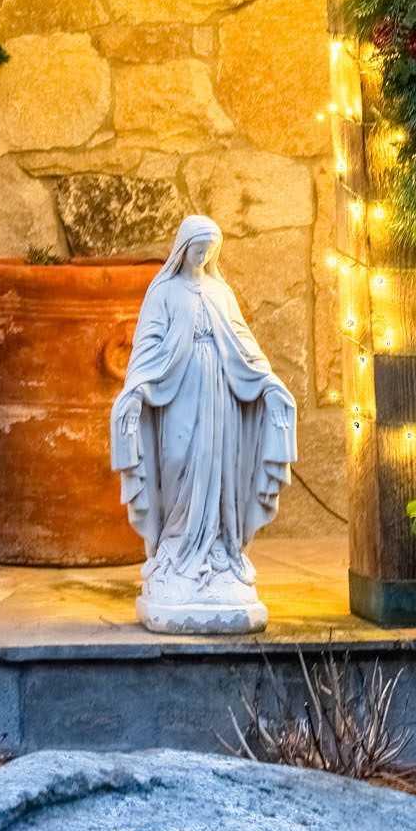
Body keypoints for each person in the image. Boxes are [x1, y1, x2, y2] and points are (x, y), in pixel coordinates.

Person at [109, 213, 296, 632]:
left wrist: (266, 381)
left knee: (219, 468)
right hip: (178, 390)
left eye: (209, 251)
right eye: (197, 249)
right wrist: (138, 387)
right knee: (177, 461)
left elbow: (243, 342)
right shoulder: (164, 293)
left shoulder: (220, 292)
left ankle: (219, 549)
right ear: (183, 248)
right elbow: (147, 344)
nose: (203, 256)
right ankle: (175, 548)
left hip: (218, 390)